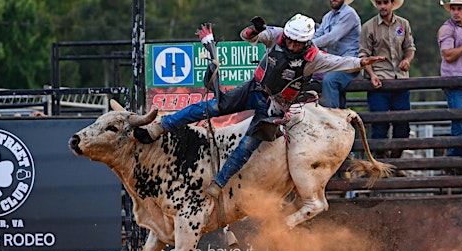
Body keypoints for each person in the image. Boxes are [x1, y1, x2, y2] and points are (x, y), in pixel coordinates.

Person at [139, 14, 384, 198]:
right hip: (254, 88)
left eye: (298, 42)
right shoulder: (277, 35)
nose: (292, 45)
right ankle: (160, 127)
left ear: (306, 42)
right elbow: (248, 37)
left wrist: (362, 62)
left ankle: (219, 183)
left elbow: (340, 62)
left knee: (247, 144)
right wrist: (253, 29)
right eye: (291, 40)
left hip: (275, 107)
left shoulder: (314, 59)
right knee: (212, 108)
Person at [359, 0, 416, 165]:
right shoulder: (368, 27)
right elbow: (363, 54)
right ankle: (381, 163)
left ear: (392, 4)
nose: (382, 6)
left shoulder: (404, 24)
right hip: (380, 80)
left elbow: (410, 47)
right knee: (379, 126)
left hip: (400, 80)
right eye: (379, 3)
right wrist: (371, 74)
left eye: (385, 2)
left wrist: (407, 60)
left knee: (403, 125)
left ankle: (393, 163)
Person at [437, 0, 462, 175]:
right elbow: (449, 56)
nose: (456, 12)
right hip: (455, 81)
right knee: (459, 122)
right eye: (453, 9)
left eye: (459, 9)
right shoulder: (446, 29)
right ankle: (454, 162)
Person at [312, 0, 361, 109]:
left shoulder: (349, 14)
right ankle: (342, 120)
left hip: (349, 63)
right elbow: (318, 35)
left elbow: (332, 37)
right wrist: (305, 42)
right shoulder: (327, 17)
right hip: (334, 63)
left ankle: (331, 120)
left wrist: (307, 45)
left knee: (330, 80)